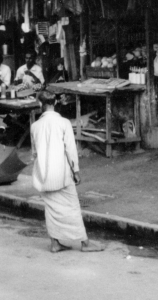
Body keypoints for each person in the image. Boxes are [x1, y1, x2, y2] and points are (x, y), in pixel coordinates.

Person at [30, 90, 104, 253]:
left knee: (51, 208)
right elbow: (70, 149)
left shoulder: (35, 126)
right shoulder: (64, 123)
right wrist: (76, 171)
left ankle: (55, 243)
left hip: (43, 173)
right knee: (72, 206)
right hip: (62, 172)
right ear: (55, 103)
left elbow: (34, 152)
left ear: (40, 105)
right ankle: (85, 243)